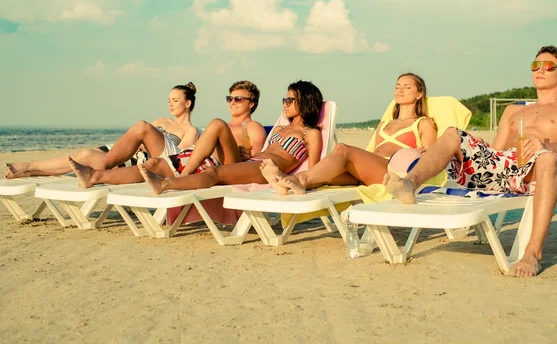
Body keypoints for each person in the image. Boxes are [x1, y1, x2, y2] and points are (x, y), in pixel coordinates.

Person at [384, 46, 557, 278]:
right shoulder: (513, 110)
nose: (540, 70)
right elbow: (495, 152)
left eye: (548, 66)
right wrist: (479, 148)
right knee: (453, 134)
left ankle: (533, 253)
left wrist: (546, 147)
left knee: (549, 159)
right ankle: (409, 184)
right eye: (535, 65)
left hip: (533, 166)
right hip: (498, 168)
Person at [261, 73, 437, 195]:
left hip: (395, 172)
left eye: (407, 87)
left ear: (419, 94)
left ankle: (297, 180)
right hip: (372, 170)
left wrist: (423, 154)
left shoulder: (423, 123)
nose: (400, 90)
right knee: (327, 176)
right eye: (398, 86)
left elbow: (429, 162)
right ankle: (289, 184)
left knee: (342, 149)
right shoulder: (384, 124)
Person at [136, 80, 324, 195]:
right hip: (252, 163)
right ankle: (181, 175)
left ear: (305, 102)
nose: (285, 103)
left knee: (213, 174)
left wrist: (287, 179)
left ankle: (166, 183)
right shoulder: (279, 129)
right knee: (217, 126)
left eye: (290, 100)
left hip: (266, 171)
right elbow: (258, 153)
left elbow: (313, 172)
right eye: (285, 100)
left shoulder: (311, 133)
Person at [68, 81, 267, 187]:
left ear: (252, 103)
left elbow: (253, 164)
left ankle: (185, 174)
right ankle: (95, 176)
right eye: (230, 98)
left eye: (238, 99)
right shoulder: (219, 128)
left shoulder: (253, 127)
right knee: (153, 164)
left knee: (216, 123)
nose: (232, 102)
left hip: (226, 167)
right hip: (198, 160)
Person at [4, 83, 199, 179]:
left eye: (175, 100)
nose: (170, 104)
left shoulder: (190, 130)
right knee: (86, 154)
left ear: (188, 103)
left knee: (141, 126)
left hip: (149, 161)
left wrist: (145, 145)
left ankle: (28, 167)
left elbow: (176, 159)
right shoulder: (161, 120)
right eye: (168, 100)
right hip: (128, 153)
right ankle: (30, 169)